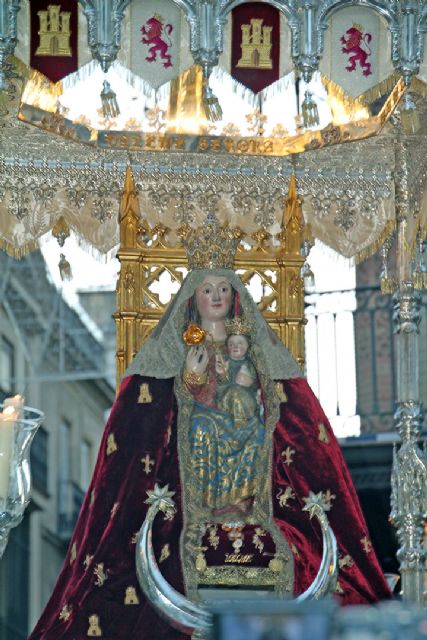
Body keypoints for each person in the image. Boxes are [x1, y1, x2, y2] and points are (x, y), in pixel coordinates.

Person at [29, 221, 391, 640]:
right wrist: (194, 383)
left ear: (235, 297)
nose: (216, 297)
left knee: (251, 436)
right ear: (193, 298)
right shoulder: (176, 355)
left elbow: (290, 424)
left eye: (223, 289)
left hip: (246, 443)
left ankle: (241, 506)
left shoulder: (255, 354)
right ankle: (218, 506)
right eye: (208, 289)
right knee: (202, 429)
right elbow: (147, 429)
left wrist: (250, 404)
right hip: (196, 470)